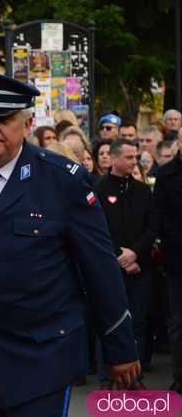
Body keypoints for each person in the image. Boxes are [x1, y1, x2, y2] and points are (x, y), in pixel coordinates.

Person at [0, 73, 140, 416]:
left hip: (41, 355)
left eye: (3, 120)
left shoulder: (62, 180)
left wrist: (120, 347)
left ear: (27, 123)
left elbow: (100, 269)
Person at [93, 139, 157, 389]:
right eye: (129, 157)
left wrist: (135, 254)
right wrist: (120, 256)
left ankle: (134, 378)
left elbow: (152, 226)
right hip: (111, 268)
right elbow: (98, 230)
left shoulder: (142, 191)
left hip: (140, 267)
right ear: (115, 158)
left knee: (138, 322)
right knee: (108, 319)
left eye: (135, 157)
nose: (134, 162)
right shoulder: (99, 190)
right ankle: (106, 376)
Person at [154, 145, 182, 393]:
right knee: (178, 322)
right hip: (178, 259)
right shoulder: (166, 175)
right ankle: (180, 376)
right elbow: (161, 218)